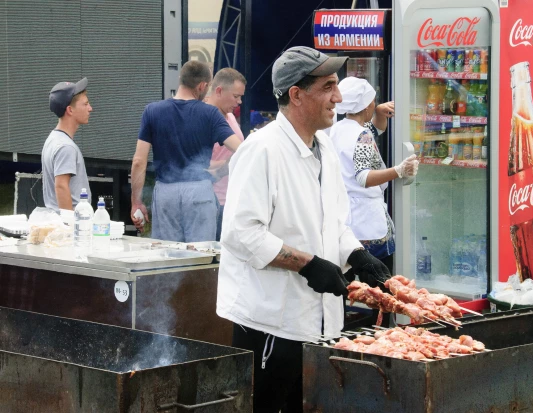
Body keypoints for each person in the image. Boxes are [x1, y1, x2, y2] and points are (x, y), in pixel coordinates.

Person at [216, 46, 392, 413]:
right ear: (296, 94)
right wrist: (308, 264)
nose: (339, 98)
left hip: (318, 324)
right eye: (328, 87)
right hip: (271, 322)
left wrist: (356, 254)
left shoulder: (324, 148)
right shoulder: (261, 150)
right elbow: (241, 233)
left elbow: (335, 222)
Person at [130, 61, 242, 242]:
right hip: (200, 192)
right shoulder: (210, 114)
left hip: (166, 194)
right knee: (200, 258)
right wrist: (221, 171)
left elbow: (138, 161)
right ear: (203, 86)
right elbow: (241, 150)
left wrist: (136, 201)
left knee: (167, 257)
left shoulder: (152, 111)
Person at [330, 77, 419, 272]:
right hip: (368, 225)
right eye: (372, 101)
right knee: (381, 283)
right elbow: (363, 177)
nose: (374, 103)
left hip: (347, 219)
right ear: (364, 106)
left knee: (348, 282)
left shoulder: (338, 129)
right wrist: (399, 170)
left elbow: (376, 128)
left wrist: (379, 112)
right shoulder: (362, 136)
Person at [203, 68, 246, 241]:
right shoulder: (203, 116)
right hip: (213, 201)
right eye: (236, 96)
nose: (239, 101)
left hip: (231, 200)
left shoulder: (229, 115)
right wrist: (227, 165)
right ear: (219, 91)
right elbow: (196, 164)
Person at [42, 78, 93, 212]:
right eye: (85, 104)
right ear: (70, 110)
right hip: (72, 223)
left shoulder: (53, 139)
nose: (90, 108)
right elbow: (61, 187)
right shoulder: (66, 147)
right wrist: (69, 226)